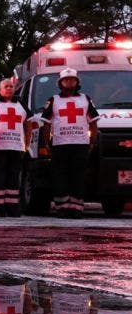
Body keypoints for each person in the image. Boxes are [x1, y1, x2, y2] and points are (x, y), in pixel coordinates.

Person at [39, 68, 99, 218]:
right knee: (60, 176)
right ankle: (62, 208)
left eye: (72, 79)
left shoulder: (86, 99)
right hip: (60, 144)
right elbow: (46, 123)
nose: (69, 82)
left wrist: (92, 142)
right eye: (66, 80)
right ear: (60, 83)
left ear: (77, 82)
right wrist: (47, 143)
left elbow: (93, 123)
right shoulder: (53, 100)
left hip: (81, 144)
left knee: (78, 176)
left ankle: (77, 208)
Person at [0, 79, 33, 217]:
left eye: (11, 86)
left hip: (16, 147)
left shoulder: (21, 104)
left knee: (14, 177)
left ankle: (12, 206)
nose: (9, 88)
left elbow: (28, 123)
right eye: (6, 86)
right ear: (0, 90)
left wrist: (27, 142)